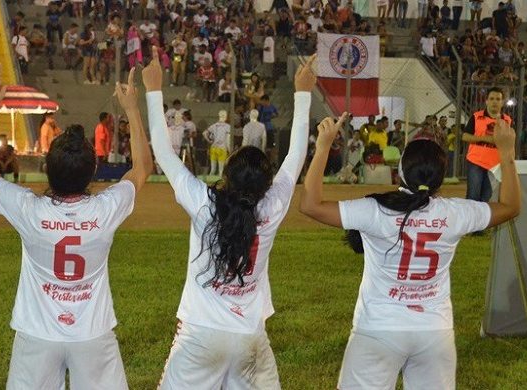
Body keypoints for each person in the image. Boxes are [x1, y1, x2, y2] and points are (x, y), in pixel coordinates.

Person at [0, 68, 153, 390]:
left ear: (47, 170)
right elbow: (143, 168)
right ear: (92, 169)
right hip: (92, 334)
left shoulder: (29, 209)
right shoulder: (105, 209)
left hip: (37, 335)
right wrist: (133, 108)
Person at [299, 115, 520, 390]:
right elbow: (510, 206)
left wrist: (322, 147)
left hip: (378, 328)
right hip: (433, 331)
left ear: (401, 171)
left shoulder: (376, 209)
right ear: (440, 178)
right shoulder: (455, 213)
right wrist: (507, 153)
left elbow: (309, 205)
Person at [148, 46, 318, 389]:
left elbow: (163, 152)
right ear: (266, 183)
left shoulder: (205, 203)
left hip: (200, 335)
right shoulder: (272, 205)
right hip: (249, 338)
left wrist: (154, 90)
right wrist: (303, 94)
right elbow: (297, 155)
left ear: (228, 174)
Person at [463, 87, 511, 204]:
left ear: (502, 102)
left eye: (498, 99)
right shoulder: (476, 116)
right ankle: (471, 221)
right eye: (492, 98)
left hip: (495, 165)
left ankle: (483, 221)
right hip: (476, 162)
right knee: (473, 196)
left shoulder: (507, 120)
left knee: (487, 197)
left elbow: (509, 142)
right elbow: (465, 136)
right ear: (486, 101)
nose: (495, 101)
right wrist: (487, 139)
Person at [204, 110, 231, 176]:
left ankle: (209, 185)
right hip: (222, 149)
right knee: (221, 171)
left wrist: (209, 141)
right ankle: (220, 186)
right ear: (226, 116)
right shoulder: (228, 126)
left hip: (213, 148)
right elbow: (228, 140)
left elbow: (204, 133)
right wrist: (229, 150)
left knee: (212, 170)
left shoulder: (214, 125)